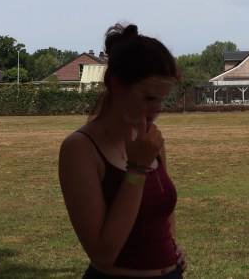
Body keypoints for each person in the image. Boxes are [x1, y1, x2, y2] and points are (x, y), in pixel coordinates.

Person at [59, 23, 186, 278]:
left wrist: (169, 244)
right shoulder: (80, 148)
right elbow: (103, 254)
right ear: (117, 85)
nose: (157, 110)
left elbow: (162, 209)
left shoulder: (150, 142)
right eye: (150, 98)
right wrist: (137, 169)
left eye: (163, 100)